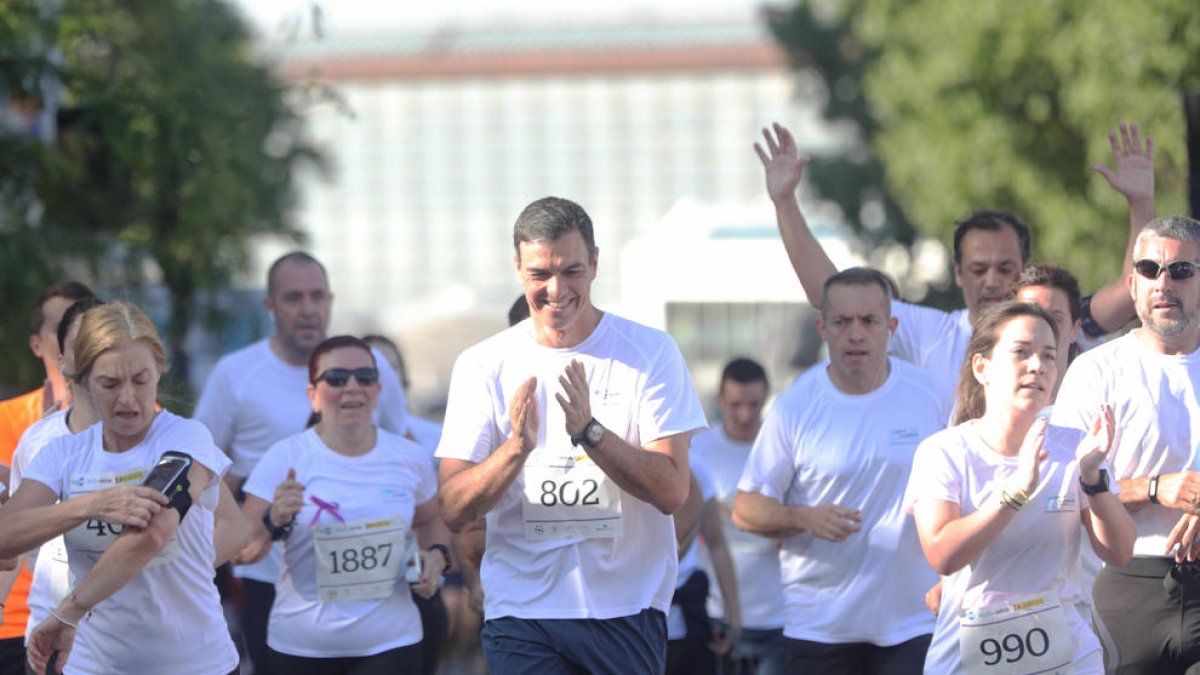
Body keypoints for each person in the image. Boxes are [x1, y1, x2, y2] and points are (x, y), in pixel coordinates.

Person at [436, 196, 706, 674]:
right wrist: (515, 449)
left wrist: (591, 434)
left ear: (595, 264)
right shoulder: (482, 365)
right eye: (540, 274)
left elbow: (671, 490)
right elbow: (454, 509)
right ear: (517, 268)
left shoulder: (650, 353)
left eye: (572, 271)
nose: (556, 289)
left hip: (625, 608)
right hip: (523, 611)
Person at [755, 121, 1152, 407]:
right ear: (958, 273)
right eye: (978, 270)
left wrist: (1141, 204)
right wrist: (785, 203)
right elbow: (833, 295)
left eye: (1006, 268)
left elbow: (1133, 291)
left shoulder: (1059, 321)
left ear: (1025, 268)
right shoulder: (928, 333)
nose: (993, 281)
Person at [0, 302, 246, 674]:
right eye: (110, 384)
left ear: (159, 370)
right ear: (81, 381)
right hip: (93, 665)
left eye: (141, 380)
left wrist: (69, 612)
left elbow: (152, 534)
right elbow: (5, 536)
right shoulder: (61, 453)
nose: (128, 398)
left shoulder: (185, 438)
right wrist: (88, 506)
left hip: (195, 663)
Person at [195, 251, 411, 675]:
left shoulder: (369, 365)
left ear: (330, 301)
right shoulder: (235, 373)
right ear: (270, 306)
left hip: (369, 581)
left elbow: (401, 450)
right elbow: (204, 471)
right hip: (267, 571)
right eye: (294, 298)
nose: (308, 309)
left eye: (317, 296)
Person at [733, 267, 946, 674]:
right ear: (823, 328)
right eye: (842, 321)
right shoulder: (795, 406)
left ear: (891, 327)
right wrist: (804, 517)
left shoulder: (931, 395)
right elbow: (745, 508)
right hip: (821, 629)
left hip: (915, 622)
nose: (855, 333)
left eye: (869, 320)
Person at [909, 301, 1135, 674]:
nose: (1038, 366)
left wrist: (1094, 480)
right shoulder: (943, 451)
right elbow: (942, 554)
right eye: (1021, 352)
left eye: (1049, 356)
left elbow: (1121, 551)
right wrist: (1015, 492)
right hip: (969, 656)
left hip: (1066, 654)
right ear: (982, 368)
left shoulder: (1076, 448)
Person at [238, 335, 448, 674]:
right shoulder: (286, 458)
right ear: (313, 396)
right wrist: (273, 518)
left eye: (364, 378)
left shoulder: (409, 458)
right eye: (336, 379)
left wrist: (435, 556)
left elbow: (430, 519)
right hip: (302, 649)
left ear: (378, 390)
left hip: (391, 644)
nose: (352, 387)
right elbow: (243, 550)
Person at [1052, 215, 1200, 673]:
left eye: (1180, 271)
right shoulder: (1095, 371)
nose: (1163, 283)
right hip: (1127, 582)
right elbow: (1063, 493)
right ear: (1131, 284)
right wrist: (1157, 488)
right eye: (1150, 270)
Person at [0, 281, 94, 673]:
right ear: (37, 344)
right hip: (20, 620)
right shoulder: (11, 422)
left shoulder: (143, 418)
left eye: (85, 324)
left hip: (106, 618)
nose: (71, 337)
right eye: (60, 325)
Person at [690, 358, 787, 675]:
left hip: (779, 615)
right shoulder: (698, 451)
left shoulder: (783, 449)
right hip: (715, 611)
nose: (745, 415)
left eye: (754, 405)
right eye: (735, 405)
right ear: (720, 401)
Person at [666, 459, 740, 675]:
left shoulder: (698, 471)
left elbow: (717, 543)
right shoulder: (617, 463)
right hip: (629, 622)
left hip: (686, 622)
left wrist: (734, 617)